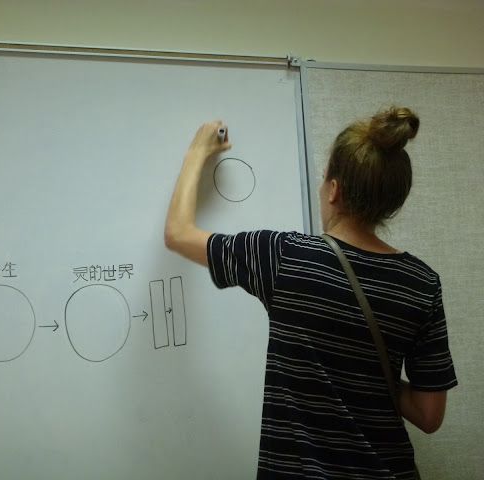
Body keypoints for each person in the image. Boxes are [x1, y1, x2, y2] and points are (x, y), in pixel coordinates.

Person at [164, 108, 457, 480]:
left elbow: (178, 233)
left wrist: (196, 152)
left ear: (334, 190)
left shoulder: (284, 257)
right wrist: (365, 375)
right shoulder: (422, 283)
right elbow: (429, 415)